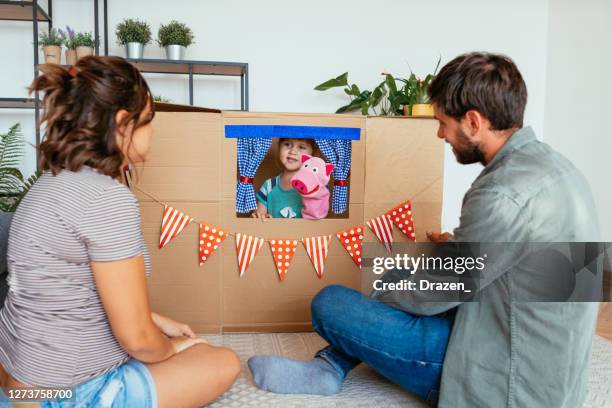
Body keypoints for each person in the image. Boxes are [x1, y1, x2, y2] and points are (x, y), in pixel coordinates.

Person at [247, 52, 601, 407]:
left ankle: (328, 365)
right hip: (548, 368)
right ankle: (329, 366)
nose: (440, 134)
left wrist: (390, 283)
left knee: (333, 302)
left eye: (444, 122)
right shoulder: (557, 169)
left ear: (474, 122)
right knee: (410, 275)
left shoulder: (501, 193)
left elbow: (431, 294)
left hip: (504, 381)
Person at [0, 56, 240, 407]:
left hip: (17, 377)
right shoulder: (106, 198)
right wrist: (170, 346)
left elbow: (67, 290)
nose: (154, 132)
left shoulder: (50, 182)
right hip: (59, 393)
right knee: (221, 361)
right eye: (149, 121)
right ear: (122, 123)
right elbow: (138, 341)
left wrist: (156, 320)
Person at [252, 138, 316, 219]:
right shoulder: (268, 186)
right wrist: (259, 216)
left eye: (301, 147)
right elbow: (258, 217)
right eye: (287, 144)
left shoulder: (316, 186)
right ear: (279, 147)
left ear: (312, 154)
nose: (292, 152)